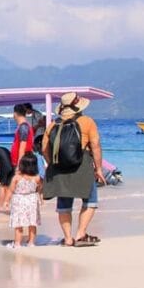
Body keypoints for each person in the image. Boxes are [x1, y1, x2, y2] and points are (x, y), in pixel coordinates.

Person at [41, 92, 104, 247]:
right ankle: (81, 234)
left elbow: (44, 149)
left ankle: (68, 238)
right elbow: (95, 146)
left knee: (64, 204)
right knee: (90, 200)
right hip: (82, 164)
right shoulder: (87, 121)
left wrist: (53, 163)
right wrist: (99, 169)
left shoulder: (53, 125)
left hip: (59, 167)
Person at [9, 153, 42, 247]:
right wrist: (40, 199)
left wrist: (6, 201)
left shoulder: (17, 177)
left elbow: (11, 190)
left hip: (19, 200)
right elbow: (39, 189)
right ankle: (31, 242)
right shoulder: (37, 178)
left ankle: (17, 243)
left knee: (18, 223)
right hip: (32, 200)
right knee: (32, 223)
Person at [11, 103, 34, 168]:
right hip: (22, 162)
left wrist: (19, 166)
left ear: (15, 114)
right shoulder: (25, 126)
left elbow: (22, 147)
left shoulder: (23, 127)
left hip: (22, 164)